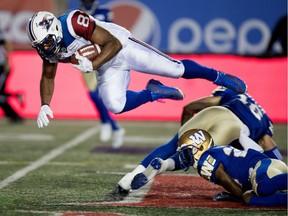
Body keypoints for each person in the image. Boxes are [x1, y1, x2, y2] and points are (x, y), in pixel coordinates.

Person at [26, 10, 247, 129]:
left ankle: (218, 76)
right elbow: (47, 75)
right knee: (115, 105)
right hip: (105, 66)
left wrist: (91, 64)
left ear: (54, 28)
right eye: (41, 45)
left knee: (176, 70)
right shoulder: (48, 49)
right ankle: (153, 92)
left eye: (46, 42)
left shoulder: (74, 23)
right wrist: (45, 104)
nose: (45, 48)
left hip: (122, 47)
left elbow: (113, 43)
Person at [115, 87, 282, 196]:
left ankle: (130, 177)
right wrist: (279, 169)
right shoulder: (265, 122)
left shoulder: (234, 94)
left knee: (173, 145)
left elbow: (189, 108)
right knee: (198, 157)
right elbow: (269, 147)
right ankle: (165, 165)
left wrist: (184, 139)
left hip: (214, 112)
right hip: (233, 126)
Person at [175, 129, 287, 206]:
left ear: (201, 147)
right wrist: (237, 195)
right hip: (268, 170)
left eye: (187, 152)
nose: (184, 157)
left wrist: (239, 194)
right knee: (249, 199)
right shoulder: (216, 152)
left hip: (265, 167)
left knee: (262, 187)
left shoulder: (205, 159)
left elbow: (224, 179)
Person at [79, 0, 125, 148]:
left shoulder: (104, 11)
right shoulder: (77, 14)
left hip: (105, 56)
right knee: (92, 94)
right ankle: (109, 124)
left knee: (104, 95)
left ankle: (111, 125)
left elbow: (112, 33)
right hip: (87, 58)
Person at [0, 25, 24, 123]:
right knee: (1, 93)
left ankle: (14, 115)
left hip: (1, 66)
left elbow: (7, 44)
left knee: (0, 94)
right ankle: (16, 96)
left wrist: (8, 61)